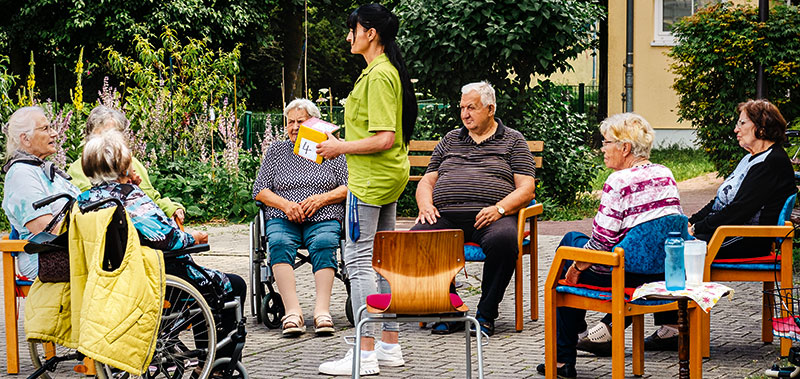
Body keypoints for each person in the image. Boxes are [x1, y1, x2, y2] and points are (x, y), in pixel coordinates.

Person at [75, 130, 246, 361]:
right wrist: (193, 238)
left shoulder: (85, 200)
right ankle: (216, 363)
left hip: (115, 278)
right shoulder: (129, 196)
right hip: (156, 275)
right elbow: (166, 239)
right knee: (232, 285)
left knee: (203, 286)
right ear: (122, 166)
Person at [535, 113, 683, 378]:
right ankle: (577, 337)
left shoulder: (617, 182)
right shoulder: (666, 173)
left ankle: (562, 361)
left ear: (624, 148)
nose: (601, 148)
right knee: (572, 245)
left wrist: (577, 267)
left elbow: (602, 242)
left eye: (605, 142)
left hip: (621, 272)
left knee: (568, 252)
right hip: (659, 271)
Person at [316, 3, 417, 376]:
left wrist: (338, 148)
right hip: (388, 177)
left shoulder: (377, 76)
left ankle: (365, 350)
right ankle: (390, 345)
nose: (348, 36)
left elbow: (385, 138)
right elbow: (376, 132)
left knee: (359, 261)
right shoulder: (385, 71)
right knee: (384, 261)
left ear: (370, 33)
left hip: (370, 182)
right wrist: (339, 137)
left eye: (353, 30)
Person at [410, 81, 536, 337]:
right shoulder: (450, 140)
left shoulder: (513, 140)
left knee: (504, 241)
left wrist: (500, 209)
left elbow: (527, 188)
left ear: (490, 109)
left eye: (472, 108)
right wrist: (425, 204)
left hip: (492, 216)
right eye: (462, 108)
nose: (465, 114)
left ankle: (486, 314)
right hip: (445, 215)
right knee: (415, 239)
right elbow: (427, 180)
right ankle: (450, 308)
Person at [252, 98, 348, 337]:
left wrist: (321, 199)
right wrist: (285, 205)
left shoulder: (330, 148)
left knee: (325, 242)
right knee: (279, 243)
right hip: (283, 215)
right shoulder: (276, 151)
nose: (294, 127)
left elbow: (349, 186)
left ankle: (322, 311)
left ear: (313, 123)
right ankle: (293, 312)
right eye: (290, 122)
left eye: (300, 121)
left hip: (324, 213)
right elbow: (260, 190)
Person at [67, 105, 187, 225]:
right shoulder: (79, 169)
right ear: (90, 138)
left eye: (114, 134)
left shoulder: (132, 164)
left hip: (143, 226)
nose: (109, 140)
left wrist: (172, 207)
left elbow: (152, 198)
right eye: (103, 134)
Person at [2, 106, 81, 279]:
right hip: (45, 257)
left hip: (68, 249)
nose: (54, 133)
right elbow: (46, 228)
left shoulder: (41, 169)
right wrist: (92, 233)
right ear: (26, 139)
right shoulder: (21, 174)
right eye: (45, 129)